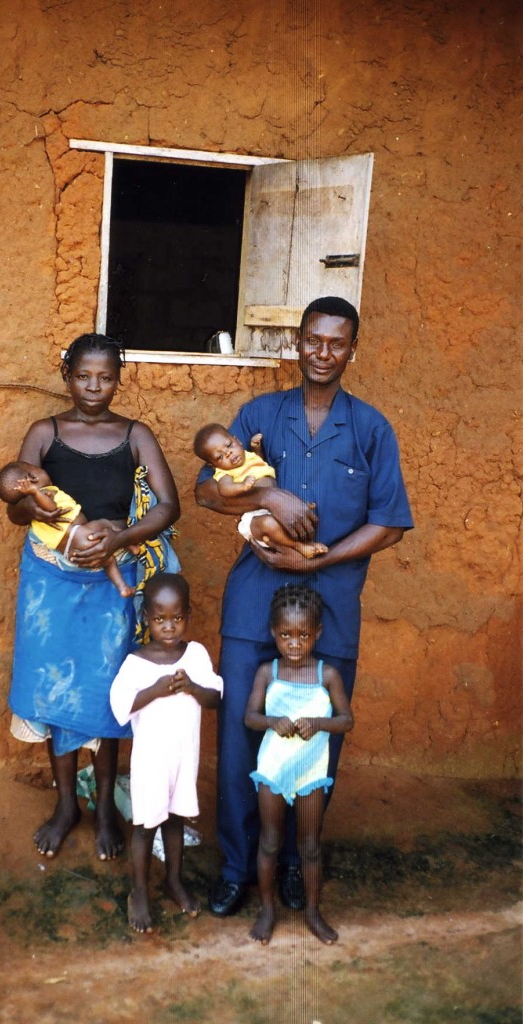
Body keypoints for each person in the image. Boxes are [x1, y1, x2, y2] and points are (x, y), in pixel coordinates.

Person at [194, 295, 413, 916]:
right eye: (313, 340)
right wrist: (270, 494)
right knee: (242, 734)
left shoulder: (371, 428)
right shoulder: (260, 413)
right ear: (297, 342)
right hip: (255, 603)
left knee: (316, 741)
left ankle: (294, 864)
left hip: (331, 604)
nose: (323, 353)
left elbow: (390, 523)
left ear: (352, 350)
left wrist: (319, 560)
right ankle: (238, 868)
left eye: (336, 343)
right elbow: (207, 491)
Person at [5, 333, 180, 861]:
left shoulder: (135, 435)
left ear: (118, 380)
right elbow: (15, 506)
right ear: (67, 375)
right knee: (52, 686)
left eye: (105, 377)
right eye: (83, 376)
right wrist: (40, 510)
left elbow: (168, 506)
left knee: (106, 692)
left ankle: (103, 808)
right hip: (49, 581)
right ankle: (66, 806)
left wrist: (119, 538)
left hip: (113, 578)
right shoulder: (45, 433)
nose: (94, 387)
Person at [109, 573, 222, 933]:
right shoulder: (136, 663)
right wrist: (155, 690)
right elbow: (121, 706)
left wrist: (193, 686)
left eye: (177, 618)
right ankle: (139, 892)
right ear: (146, 618)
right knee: (145, 826)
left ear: (188, 615)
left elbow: (215, 698)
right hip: (151, 763)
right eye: (160, 619)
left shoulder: (196, 655)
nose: (169, 627)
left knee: (175, 820)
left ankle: (174, 880)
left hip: (183, 759)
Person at [245, 585, 353, 945]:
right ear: (273, 632)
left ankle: (313, 912)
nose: (294, 644)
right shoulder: (268, 672)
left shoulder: (327, 675)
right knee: (270, 841)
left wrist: (319, 723)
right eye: (285, 635)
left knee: (309, 845)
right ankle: (267, 910)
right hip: (273, 768)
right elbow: (250, 717)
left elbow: (346, 720)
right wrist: (271, 721)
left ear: (317, 633)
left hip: (310, 772)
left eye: (303, 636)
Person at [0, 460, 137, 597]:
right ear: (32, 478)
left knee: (109, 561)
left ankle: (123, 588)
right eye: (38, 468)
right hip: (80, 534)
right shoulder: (41, 495)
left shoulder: (31, 514)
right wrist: (36, 492)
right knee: (105, 524)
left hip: (70, 552)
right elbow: (52, 509)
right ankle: (129, 544)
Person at [193, 423, 327, 559]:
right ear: (213, 465)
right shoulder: (225, 473)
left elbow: (260, 463)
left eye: (229, 445)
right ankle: (299, 547)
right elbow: (224, 490)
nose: (228, 453)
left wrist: (256, 448)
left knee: (292, 510)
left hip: (276, 505)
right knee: (268, 524)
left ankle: (304, 525)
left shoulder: (248, 456)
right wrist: (242, 486)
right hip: (256, 515)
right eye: (220, 457)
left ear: (237, 440)